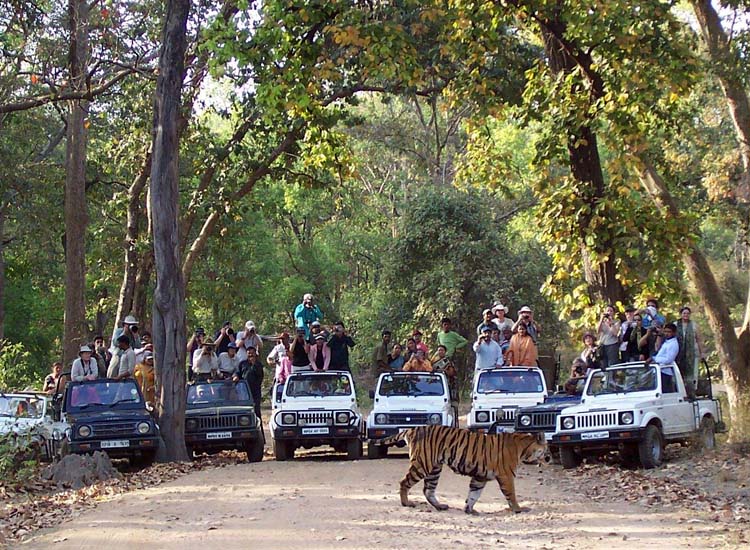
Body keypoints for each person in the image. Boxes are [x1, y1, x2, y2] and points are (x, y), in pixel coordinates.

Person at [676, 307, 703, 392]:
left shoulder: (694, 325)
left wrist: (702, 353)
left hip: (692, 353)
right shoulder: (676, 324)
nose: (686, 315)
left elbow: (699, 339)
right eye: (684, 313)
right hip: (678, 353)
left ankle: (691, 390)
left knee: (692, 373)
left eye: (688, 313)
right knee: (679, 372)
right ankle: (681, 390)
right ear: (681, 314)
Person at [234, 347, 264, 417]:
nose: (250, 355)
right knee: (244, 409)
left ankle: (259, 427)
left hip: (255, 390)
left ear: (255, 354)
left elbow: (260, 376)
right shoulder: (242, 363)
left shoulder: (258, 364)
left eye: (252, 353)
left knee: (256, 410)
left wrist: (254, 364)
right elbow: (238, 372)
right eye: (249, 353)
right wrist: (236, 376)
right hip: (244, 390)